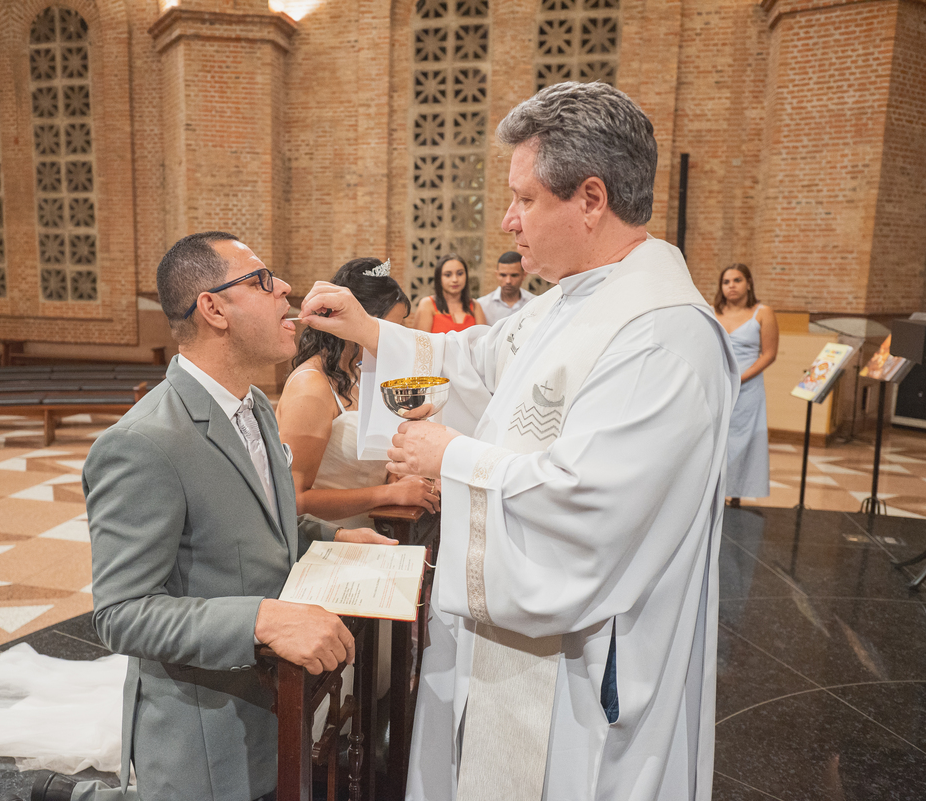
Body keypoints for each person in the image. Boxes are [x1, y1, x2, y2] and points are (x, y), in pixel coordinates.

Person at [301, 81, 739, 801]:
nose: (508, 220)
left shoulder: (662, 334)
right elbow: (476, 364)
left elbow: (588, 504)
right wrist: (368, 328)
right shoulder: (573, 296)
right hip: (513, 648)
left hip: (583, 673)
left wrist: (452, 459)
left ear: (591, 199)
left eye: (526, 199)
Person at [28, 232, 395, 801]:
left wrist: (338, 535)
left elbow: (266, 528)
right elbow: (122, 614)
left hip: (276, 703)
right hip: (208, 735)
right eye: (263, 280)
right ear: (213, 308)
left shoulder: (255, 409)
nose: (286, 290)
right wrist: (262, 621)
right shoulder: (145, 443)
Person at [277, 257, 439, 529]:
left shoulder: (361, 373)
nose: (399, 336)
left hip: (377, 528)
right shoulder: (311, 388)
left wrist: (395, 475)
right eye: (395, 326)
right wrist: (389, 494)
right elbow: (290, 500)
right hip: (331, 540)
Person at [714, 263, 778, 507]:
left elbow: (769, 354)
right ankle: (714, 489)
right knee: (717, 436)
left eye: (737, 280)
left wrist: (739, 378)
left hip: (748, 386)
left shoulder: (763, 312)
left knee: (743, 438)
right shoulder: (712, 311)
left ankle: (737, 493)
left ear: (749, 283)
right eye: (726, 281)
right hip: (718, 386)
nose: (731, 286)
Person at [413, 253, 487, 333]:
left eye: (460, 274)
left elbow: (483, 342)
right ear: (439, 278)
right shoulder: (427, 304)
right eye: (448, 275)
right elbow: (421, 343)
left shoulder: (475, 306)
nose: (455, 279)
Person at [476, 251, 536, 325]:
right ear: (497, 275)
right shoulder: (482, 305)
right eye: (503, 275)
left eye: (514, 275)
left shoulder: (534, 303)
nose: (508, 281)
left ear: (524, 275)